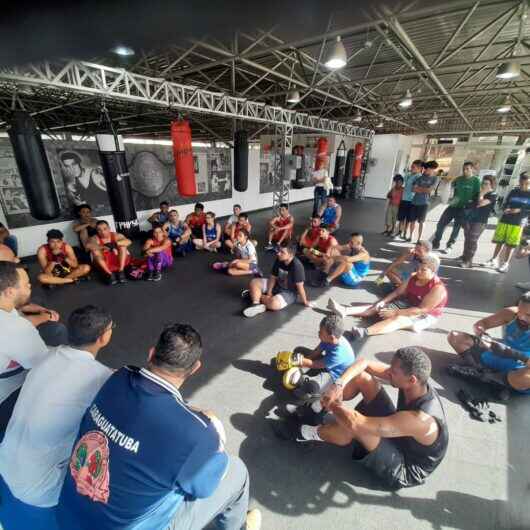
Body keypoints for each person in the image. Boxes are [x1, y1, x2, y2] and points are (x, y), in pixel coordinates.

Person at [56, 323, 261, 530]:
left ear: (151, 353)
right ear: (195, 368)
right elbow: (204, 488)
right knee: (236, 472)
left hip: (69, 515)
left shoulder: (119, 378)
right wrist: (214, 434)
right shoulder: (198, 433)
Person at [0, 306, 114, 528]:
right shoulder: (101, 378)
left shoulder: (46, 356)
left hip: (5, 461)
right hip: (37, 493)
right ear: (103, 337)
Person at [274, 347, 448, 490]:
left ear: (412, 380)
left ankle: (303, 433)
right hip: (399, 429)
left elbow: (356, 422)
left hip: (404, 466)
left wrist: (332, 402)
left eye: (393, 372)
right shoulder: (414, 383)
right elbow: (363, 364)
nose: (389, 373)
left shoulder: (420, 420)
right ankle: (313, 411)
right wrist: (338, 385)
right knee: (362, 378)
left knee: (353, 425)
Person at [0, 262, 67, 407]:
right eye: (26, 284)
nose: (30, 287)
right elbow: (45, 366)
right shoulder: (16, 329)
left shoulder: (6, 309)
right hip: (7, 390)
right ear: (10, 292)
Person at [328, 259, 447, 338]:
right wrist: (383, 302)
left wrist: (396, 312)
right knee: (379, 306)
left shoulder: (437, 288)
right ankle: (345, 310)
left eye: (423, 270)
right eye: (418, 269)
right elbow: (397, 292)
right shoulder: (414, 277)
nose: (418, 272)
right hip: (410, 303)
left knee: (399, 319)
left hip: (426, 315)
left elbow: (422, 310)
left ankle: (365, 332)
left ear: (433, 271)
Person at [447, 293, 530, 395]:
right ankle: (483, 374)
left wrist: (510, 352)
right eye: (520, 311)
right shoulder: (511, 313)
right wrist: (483, 335)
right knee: (455, 336)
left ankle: (486, 378)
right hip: (495, 354)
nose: (521, 317)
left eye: (528, 315)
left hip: (519, 368)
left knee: (526, 378)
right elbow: (481, 324)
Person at [243, 243, 313, 318]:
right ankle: (256, 304)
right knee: (254, 282)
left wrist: (305, 301)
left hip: (289, 292)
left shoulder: (297, 266)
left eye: (282, 252)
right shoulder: (279, 259)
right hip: (277, 284)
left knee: (274, 304)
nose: (278, 253)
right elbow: (273, 277)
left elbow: (300, 286)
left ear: (290, 255)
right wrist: (269, 292)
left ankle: (254, 295)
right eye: (279, 251)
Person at [483, 172, 530, 273]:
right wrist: (506, 208)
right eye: (522, 183)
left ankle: (505, 264)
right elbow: (505, 203)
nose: (524, 186)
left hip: (518, 223)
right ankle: (494, 260)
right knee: (499, 241)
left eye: (527, 184)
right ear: (519, 181)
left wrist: (520, 210)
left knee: (510, 244)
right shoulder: (513, 191)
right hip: (505, 219)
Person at [432, 162, 481, 253]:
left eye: (467, 169)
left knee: (456, 227)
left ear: (472, 170)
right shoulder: (458, 179)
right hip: (453, 205)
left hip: (465, 208)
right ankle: (436, 241)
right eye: (464, 169)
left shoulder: (476, 181)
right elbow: (449, 186)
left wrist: (472, 208)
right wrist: (447, 181)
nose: (465, 171)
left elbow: (478, 195)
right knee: (441, 224)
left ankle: (450, 245)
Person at [461, 175, 497, 268]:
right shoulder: (478, 193)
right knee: (467, 239)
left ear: (491, 185)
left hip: (480, 221)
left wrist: (481, 195)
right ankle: (465, 257)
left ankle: (469, 261)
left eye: (486, 184)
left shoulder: (492, 195)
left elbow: (481, 203)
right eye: (483, 183)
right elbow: (470, 203)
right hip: (470, 218)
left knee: (472, 240)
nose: (484, 185)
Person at [86, 220, 132, 285]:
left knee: (123, 246)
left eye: (105, 229)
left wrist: (114, 244)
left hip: (118, 260)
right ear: (97, 231)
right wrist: (103, 247)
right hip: (104, 263)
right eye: (99, 230)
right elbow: (88, 246)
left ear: (109, 228)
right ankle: (109, 274)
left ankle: (121, 272)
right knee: (95, 250)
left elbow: (129, 241)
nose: (103, 232)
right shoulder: (95, 238)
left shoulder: (116, 235)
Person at [409, 160, 438, 242]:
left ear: (433, 169)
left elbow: (430, 191)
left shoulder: (435, 178)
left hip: (424, 203)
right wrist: (424, 189)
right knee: (412, 221)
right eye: (426, 169)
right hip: (415, 201)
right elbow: (413, 189)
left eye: (429, 169)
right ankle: (410, 236)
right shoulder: (420, 177)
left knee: (421, 222)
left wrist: (419, 189)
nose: (426, 170)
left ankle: (419, 239)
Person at [397, 160, 423, 241]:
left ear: (419, 168)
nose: (411, 168)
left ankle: (405, 233)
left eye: (413, 167)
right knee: (401, 217)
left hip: (412, 201)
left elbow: (416, 188)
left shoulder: (419, 177)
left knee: (408, 219)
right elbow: (402, 182)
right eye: (411, 166)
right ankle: (399, 232)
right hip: (404, 198)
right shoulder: (409, 174)